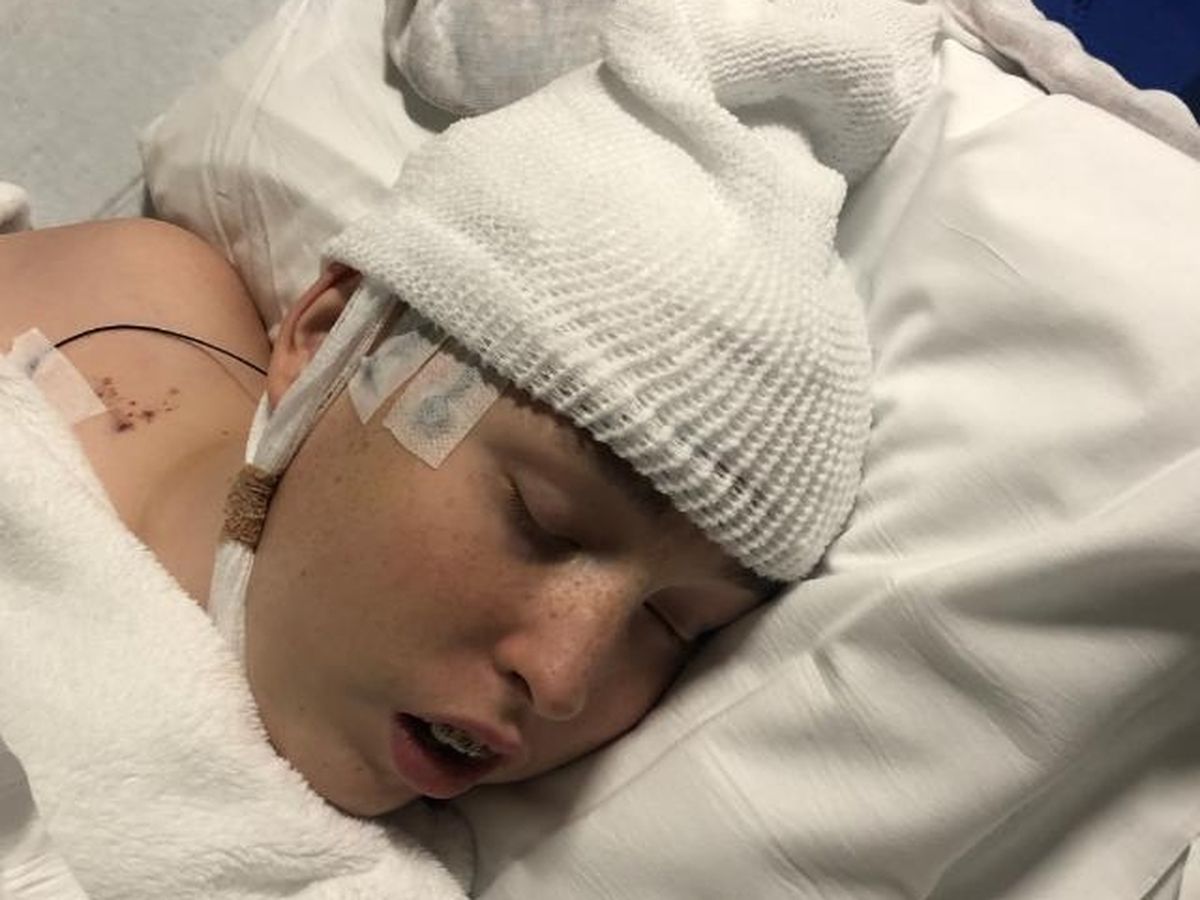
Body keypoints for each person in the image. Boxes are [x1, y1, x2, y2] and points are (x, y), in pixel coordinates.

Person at [0, 0, 887, 826]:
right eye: (545, 519)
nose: (563, 679)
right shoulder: (153, 272)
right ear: (326, 333)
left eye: (674, 624)